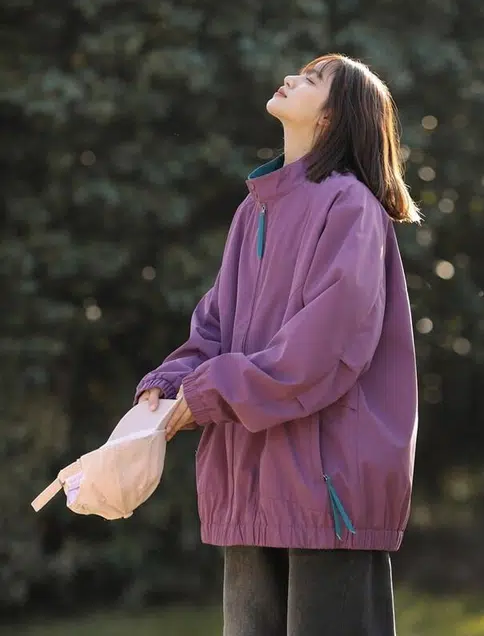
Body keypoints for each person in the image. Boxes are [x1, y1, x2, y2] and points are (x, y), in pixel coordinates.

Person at [135, 53, 420, 636]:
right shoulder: (252, 211)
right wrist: (166, 388)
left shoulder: (351, 207)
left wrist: (208, 394)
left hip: (326, 492)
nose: (290, 78)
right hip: (248, 487)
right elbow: (214, 326)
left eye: (311, 79)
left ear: (332, 116)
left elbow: (322, 349)